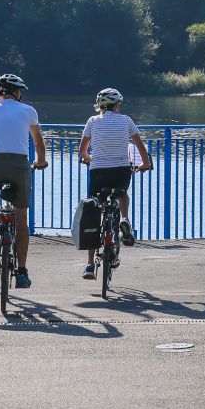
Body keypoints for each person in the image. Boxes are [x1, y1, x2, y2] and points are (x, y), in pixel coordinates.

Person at [0, 72, 49, 288]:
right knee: (21, 219)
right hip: (19, 166)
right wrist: (41, 161)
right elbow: (38, 144)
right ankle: (22, 271)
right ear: (17, 92)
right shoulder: (28, 111)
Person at [78, 87, 153, 279]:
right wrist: (145, 163)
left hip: (98, 171)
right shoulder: (126, 120)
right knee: (122, 195)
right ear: (117, 105)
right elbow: (140, 145)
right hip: (121, 171)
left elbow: (83, 150)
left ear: (100, 106)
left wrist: (89, 158)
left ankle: (89, 265)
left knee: (94, 213)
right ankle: (125, 219)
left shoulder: (92, 121)